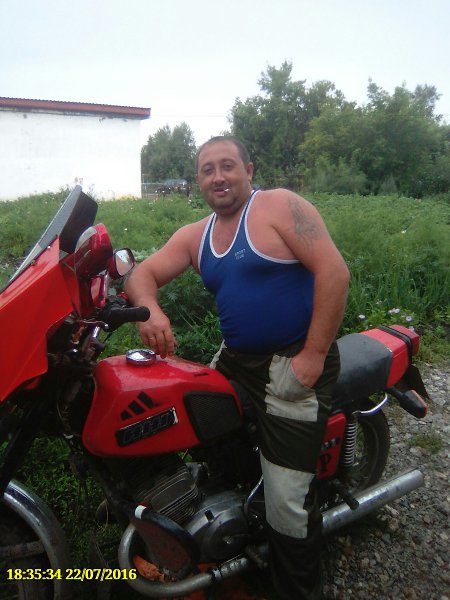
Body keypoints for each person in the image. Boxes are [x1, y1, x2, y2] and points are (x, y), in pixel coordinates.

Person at [125, 136, 350, 599]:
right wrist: (151, 311)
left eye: (227, 166)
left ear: (248, 170)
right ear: (198, 181)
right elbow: (141, 274)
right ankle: (230, 532)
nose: (218, 176)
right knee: (203, 434)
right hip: (237, 359)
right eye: (208, 170)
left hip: (294, 361)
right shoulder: (196, 236)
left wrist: (312, 356)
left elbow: (334, 272)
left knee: (287, 502)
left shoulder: (278, 206)